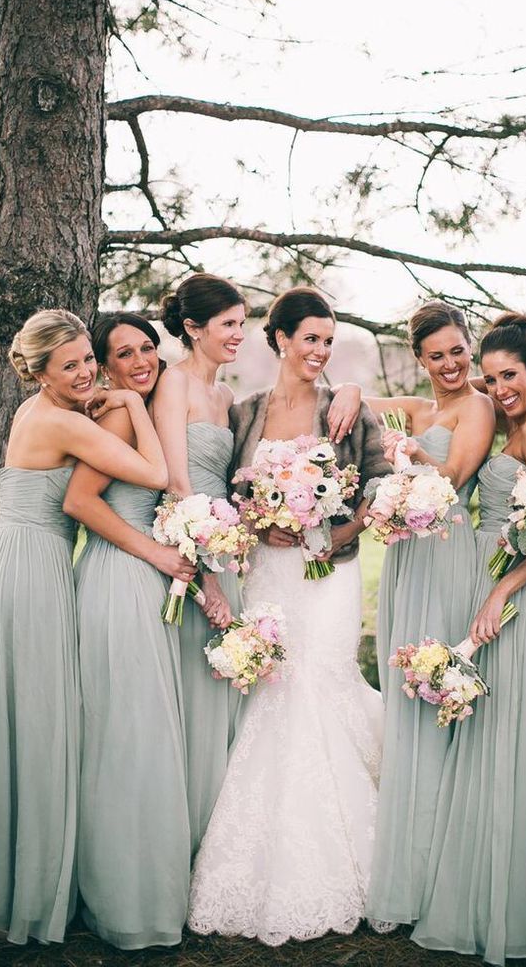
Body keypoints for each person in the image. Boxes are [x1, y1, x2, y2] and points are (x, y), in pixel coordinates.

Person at [0, 309, 168, 945]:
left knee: (5, 726)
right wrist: (132, 401)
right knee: (35, 726)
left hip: (3, 567)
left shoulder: (32, 413)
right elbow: (153, 475)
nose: (84, 372)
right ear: (38, 371)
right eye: (67, 365)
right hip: (30, 575)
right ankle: (13, 891)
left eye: (86, 360)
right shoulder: (62, 422)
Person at [187, 286, 389, 945]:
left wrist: (337, 533)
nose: (321, 353)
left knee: (321, 683)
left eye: (329, 342)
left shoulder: (346, 409)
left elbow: (382, 484)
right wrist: (258, 520)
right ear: (280, 340)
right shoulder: (245, 414)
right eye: (311, 340)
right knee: (277, 690)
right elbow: (224, 496)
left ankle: (365, 857)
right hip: (270, 573)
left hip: (329, 569)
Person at [412, 312, 526, 963]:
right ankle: (478, 893)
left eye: (513, 376)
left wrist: (503, 590)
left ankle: (513, 909)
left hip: (519, 597)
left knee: (514, 740)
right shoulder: (500, 417)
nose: (500, 386)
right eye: (493, 375)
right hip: (485, 575)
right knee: (484, 734)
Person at [63, 313, 194, 949]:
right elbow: (80, 503)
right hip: (120, 576)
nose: (140, 360)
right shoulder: (116, 418)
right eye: (123, 354)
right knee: (126, 734)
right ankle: (122, 898)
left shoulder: (132, 408)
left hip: (144, 577)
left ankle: (145, 883)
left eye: (147, 348)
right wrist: (157, 553)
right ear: (104, 365)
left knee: (141, 732)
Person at [364, 300, 496, 925]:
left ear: (470, 347)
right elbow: (362, 412)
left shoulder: (478, 406)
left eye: (457, 351)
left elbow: (452, 475)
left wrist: (411, 457)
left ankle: (440, 858)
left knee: (435, 686)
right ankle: (406, 852)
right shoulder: (417, 409)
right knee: (401, 689)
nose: (449, 364)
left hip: (445, 553)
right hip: (405, 557)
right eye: (436, 355)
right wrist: (349, 392)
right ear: (418, 359)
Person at [151, 273, 249, 856]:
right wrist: (206, 578)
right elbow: (177, 482)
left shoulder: (227, 397)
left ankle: (218, 841)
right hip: (188, 554)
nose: (240, 334)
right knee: (193, 682)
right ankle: (180, 841)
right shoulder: (175, 385)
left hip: (224, 549)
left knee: (225, 685)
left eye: (243, 323)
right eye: (229, 324)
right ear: (193, 328)